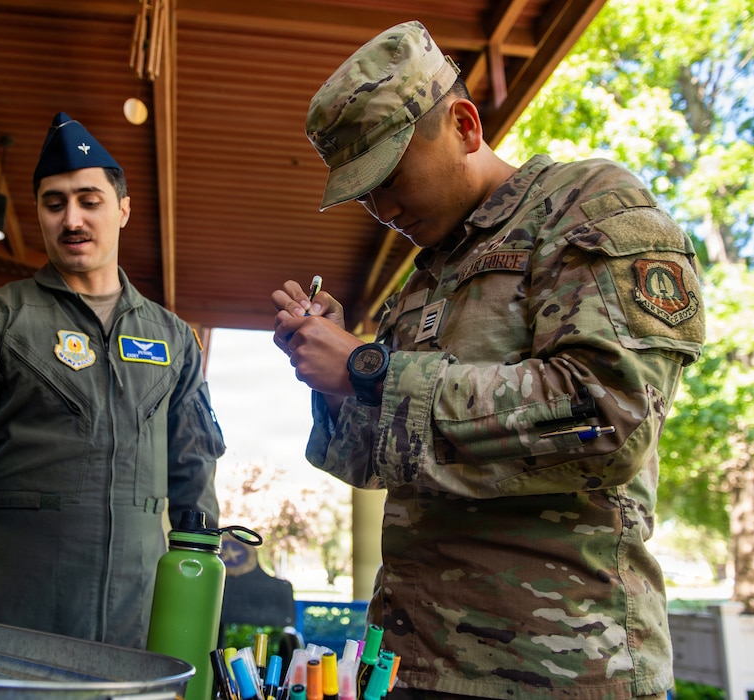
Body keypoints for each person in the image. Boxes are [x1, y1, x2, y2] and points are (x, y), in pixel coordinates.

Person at [271, 21, 704, 700]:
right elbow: (372, 462)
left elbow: (608, 419)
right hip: (411, 664)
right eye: (363, 194)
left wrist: (372, 369)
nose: (381, 209)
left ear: (465, 125)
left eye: (388, 176)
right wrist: (327, 374)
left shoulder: (584, 206)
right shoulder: (419, 282)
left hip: (559, 671)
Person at [0, 112, 225, 649]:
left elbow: (195, 476)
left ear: (123, 209)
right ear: (39, 214)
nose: (71, 218)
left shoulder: (173, 338)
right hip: (13, 622)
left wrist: (194, 619)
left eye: (89, 200)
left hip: (137, 625)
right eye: (54, 203)